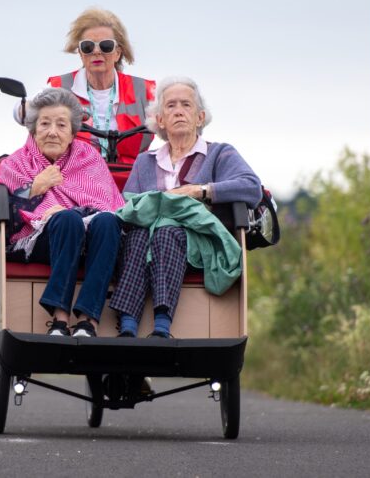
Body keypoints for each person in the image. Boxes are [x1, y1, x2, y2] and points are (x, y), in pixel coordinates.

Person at [109, 76, 263, 338]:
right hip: (144, 241)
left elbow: (251, 187)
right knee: (136, 236)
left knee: (167, 232)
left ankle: (161, 325)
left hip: (195, 243)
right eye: (170, 106)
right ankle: (127, 327)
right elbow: (127, 206)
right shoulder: (145, 161)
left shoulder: (219, 153)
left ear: (200, 117)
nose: (178, 111)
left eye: (186, 105)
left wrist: (201, 191)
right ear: (160, 120)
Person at [0, 87, 126, 337]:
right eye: (45, 123)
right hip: (40, 241)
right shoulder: (16, 163)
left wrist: (79, 212)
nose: (52, 132)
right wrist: (34, 188)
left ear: (72, 133)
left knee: (108, 222)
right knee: (66, 220)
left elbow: (110, 205)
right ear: (33, 129)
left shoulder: (89, 157)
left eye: (61, 125)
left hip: (93, 238)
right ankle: (59, 319)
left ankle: (88, 320)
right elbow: (5, 211)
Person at [15, 7, 155, 163]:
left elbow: (175, 117)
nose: (96, 52)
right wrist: (26, 109)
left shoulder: (145, 90)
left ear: (118, 53)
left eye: (106, 46)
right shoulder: (60, 86)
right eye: (87, 46)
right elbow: (22, 112)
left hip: (132, 178)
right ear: (80, 53)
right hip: (75, 176)